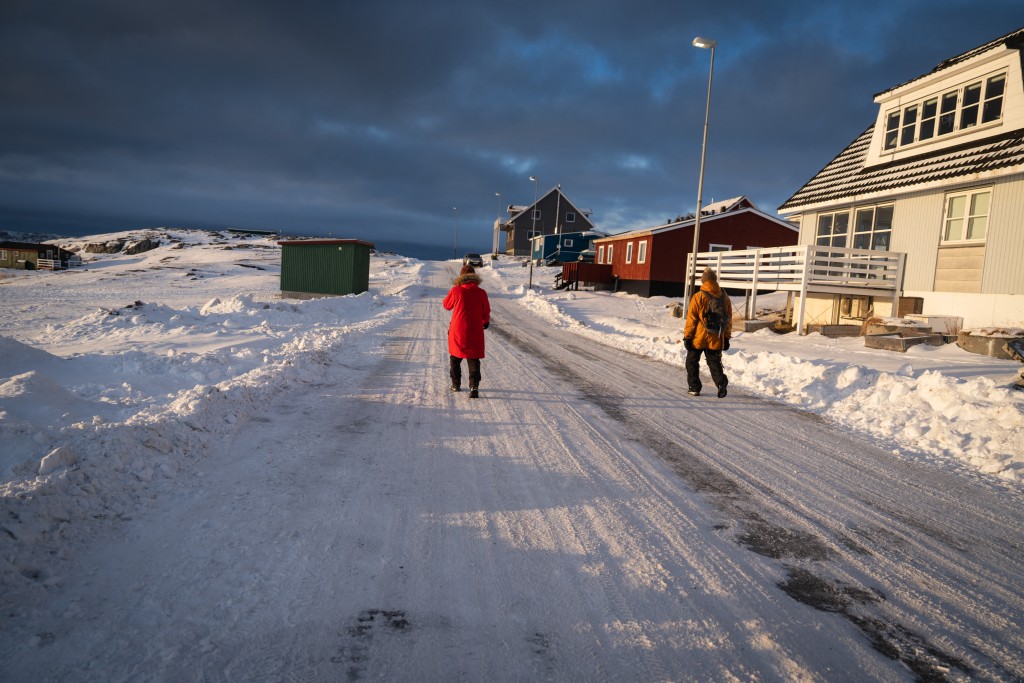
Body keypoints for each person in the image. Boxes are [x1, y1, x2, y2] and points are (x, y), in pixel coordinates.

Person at [683, 266, 733, 398]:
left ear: (703, 281)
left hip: (698, 337)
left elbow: (691, 319)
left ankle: (694, 387)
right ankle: (721, 383)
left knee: (692, 362)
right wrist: (726, 337)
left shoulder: (698, 296)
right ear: (715, 281)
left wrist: (687, 337)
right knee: (714, 362)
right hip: (716, 336)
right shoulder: (724, 297)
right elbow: (728, 319)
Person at [443, 265, 491, 398]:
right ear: (474, 276)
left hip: (458, 331)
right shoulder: (481, 293)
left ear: (461, 276)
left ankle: (456, 384)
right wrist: (485, 321)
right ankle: (474, 387)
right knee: (473, 359)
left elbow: (446, 305)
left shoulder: (456, 290)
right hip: (475, 330)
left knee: (455, 358)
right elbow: (485, 311)